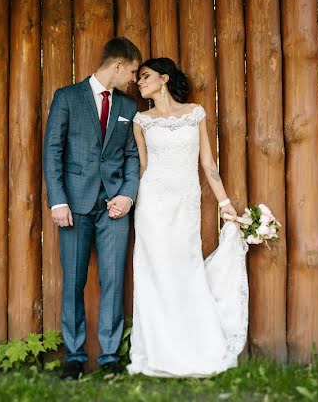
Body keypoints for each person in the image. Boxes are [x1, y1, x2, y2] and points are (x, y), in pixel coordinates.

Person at [127, 57, 249, 378]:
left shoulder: (194, 114)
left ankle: (193, 344)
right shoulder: (141, 120)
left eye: (145, 76)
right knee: (154, 273)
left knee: (185, 267)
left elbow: (208, 164)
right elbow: (142, 167)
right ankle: (157, 349)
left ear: (164, 78)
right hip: (151, 205)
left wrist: (225, 203)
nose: (140, 83)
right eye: (139, 78)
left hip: (185, 204)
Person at [42, 37, 142, 380]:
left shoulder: (129, 108)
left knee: (114, 280)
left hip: (114, 207)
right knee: (73, 282)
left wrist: (128, 195)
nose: (133, 79)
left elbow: (132, 157)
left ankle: (111, 356)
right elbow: (52, 151)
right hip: (74, 206)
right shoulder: (67, 98)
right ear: (116, 65)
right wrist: (58, 200)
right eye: (131, 71)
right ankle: (74, 356)